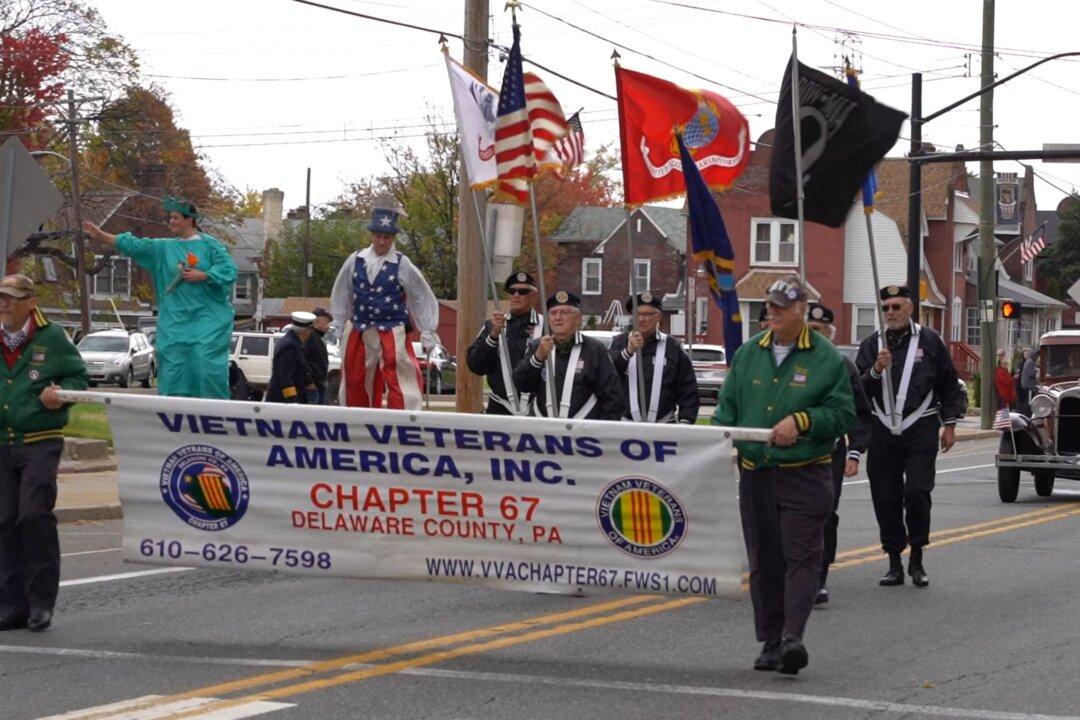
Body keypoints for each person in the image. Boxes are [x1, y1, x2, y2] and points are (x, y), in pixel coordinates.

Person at [713, 276, 855, 675]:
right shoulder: (747, 355)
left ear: (801, 310)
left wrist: (804, 420)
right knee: (764, 561)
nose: (771, 313)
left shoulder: (826, 358)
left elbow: (844, 414)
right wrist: (719, 441)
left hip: (804, 473)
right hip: (757, 472)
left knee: (801, 558)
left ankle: (794, 637)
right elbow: (727, 410)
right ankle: (770, 641)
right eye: (769, 306)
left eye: (780, 306)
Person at [855, 285, 965, 589]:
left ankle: (917, 557)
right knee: (885, 496)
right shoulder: (871, 345)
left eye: (896, 307)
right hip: (882, 429)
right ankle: (894, 561)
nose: (890, 313)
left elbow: (948, 385)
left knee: (917, 492)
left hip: (921, 426)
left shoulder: (930, 342)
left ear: (910, 308)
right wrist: (876, 370)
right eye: (886, 308)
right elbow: (858, 392)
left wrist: (950, 424)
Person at [82, 197, 237, 398]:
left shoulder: (210, 246)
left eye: (175, 217)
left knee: (204, 363)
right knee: (174, 364)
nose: (170, 221)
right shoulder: (164, 248)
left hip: (207, 318)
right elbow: (135, 245)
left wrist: (204, 275)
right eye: (169, 218)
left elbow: (228, 270)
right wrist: (101, 235)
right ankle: (172, 413)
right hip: (175, 320)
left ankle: (212, 411)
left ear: (189, 219)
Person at [0, 275, 88, 632]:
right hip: (3, 442)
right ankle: (11, 605)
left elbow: (79, 379)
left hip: (40, 438)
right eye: (1, 298)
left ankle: (40, 603)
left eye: (12, 298)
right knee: (4, 520)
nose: (5, 304)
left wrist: (59, 392)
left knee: (33, 514)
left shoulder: (51, 338)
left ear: (31, 302)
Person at [329, 198, 440, 410]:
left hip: (391, 328)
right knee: (355, 378)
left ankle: (406, 424)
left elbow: (420, 296)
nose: (382, 242)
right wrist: (338, 321)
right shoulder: (356, 260)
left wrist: (427, 330)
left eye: (387, 237)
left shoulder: (401, 263)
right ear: (372, 235)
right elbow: (342, 290)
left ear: (393, 237)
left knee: (400, 377)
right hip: (360, 327)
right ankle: (359, 424)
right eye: (378, 236)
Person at [805, 303, 871, 605]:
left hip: (829, 451)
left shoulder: (842, 366)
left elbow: (859, 412)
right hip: (790, 452)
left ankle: (819, 577)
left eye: (819, 330)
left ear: (830, 334)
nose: (812, 334)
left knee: (824, 514)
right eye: (808, 328)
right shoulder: (785, 361)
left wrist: (855, 452)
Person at [513, 291, 623, 420]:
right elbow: (521, 384)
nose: (558, 317)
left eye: (564, 313)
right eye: (553, 313)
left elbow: (612, 397)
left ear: (578, 319)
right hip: (544, 430)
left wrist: (602, 432)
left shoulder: (594, 350)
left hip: (582, 432)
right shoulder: (538, 346)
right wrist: (537, 358)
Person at [609, 291, 699, 423]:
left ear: (658, 317)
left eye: (647, 314)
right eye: (637, 314)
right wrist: (628, 352)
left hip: (663, 425)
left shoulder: (672, 346)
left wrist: (685, 421)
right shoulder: (619, 342)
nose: (641, 319)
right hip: (626, 425)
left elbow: (688, 387)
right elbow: (609, 377)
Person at [466, 271, 542, 415]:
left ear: (533, 295)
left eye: (523, 291)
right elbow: (476, 366)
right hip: (500, 408)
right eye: (512, 291)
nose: (516, 295)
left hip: (536, 408)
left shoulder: (545, 327)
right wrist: (494, 335)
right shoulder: (491, 326)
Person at [267, 312, 317, 404]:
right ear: (307, 330)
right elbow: (285, 377)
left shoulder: (294, 342)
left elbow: (299, 369)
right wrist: (292, 401)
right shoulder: (290, 346)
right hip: (283, 401)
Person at [303, 307, 333, 405]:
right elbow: (302, 361)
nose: (329, 325)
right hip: (313, 386)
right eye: (327, 321)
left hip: (319, 383)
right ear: (318, 321)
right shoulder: (310, 336)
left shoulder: (318, 337)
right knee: (311, 416)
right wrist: (309, 382)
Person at [1020, 348, 1038, 416]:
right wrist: (1037, 371)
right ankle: (1027, 415)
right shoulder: (1030, 362)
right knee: (1029, 402)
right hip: (1029, 386)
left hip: (1026, 386)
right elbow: (1031, 373)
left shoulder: (1028, 361)